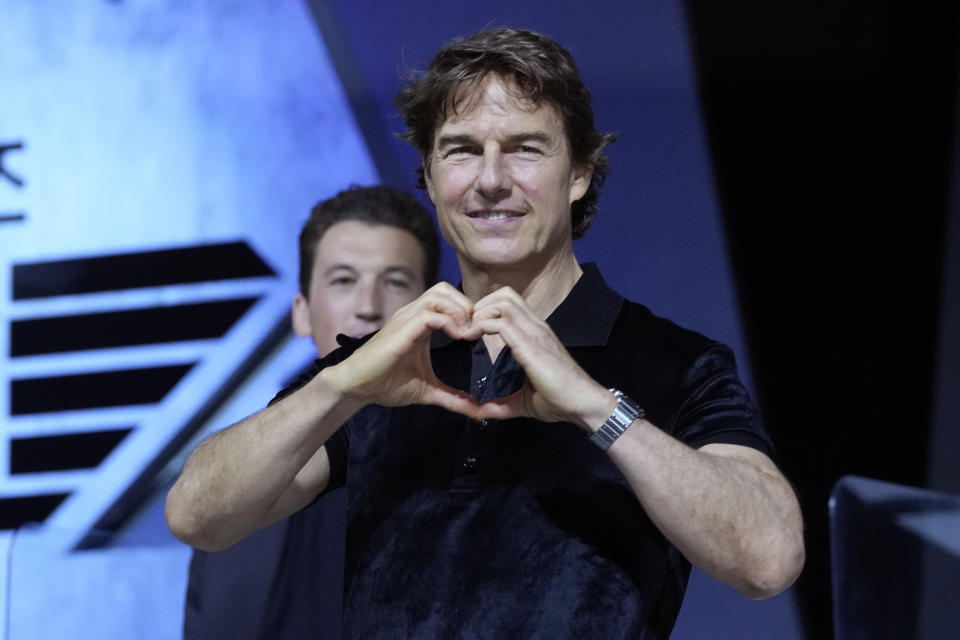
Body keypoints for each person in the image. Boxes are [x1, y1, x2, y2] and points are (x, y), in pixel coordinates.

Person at [167, 28, 804, 639]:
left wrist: (596, 409)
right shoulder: (385, 363)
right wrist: (337, 387)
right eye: (462, 149)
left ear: (578, 172)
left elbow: (769, 558)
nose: (491, 178)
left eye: (526, 148)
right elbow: (198, 516)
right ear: (430, 175)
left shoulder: (675, 362)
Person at [181, 185, 439, 639]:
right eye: (343, 280)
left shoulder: (461, 463)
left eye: (395, 281)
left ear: (431, 309)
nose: (368, 308)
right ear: (301, 312)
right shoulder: (232, 478)